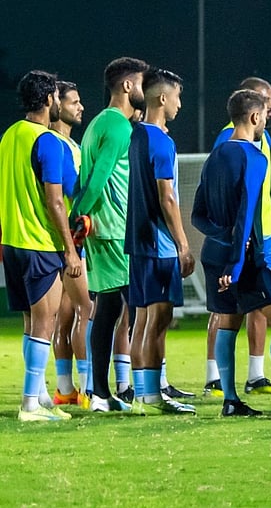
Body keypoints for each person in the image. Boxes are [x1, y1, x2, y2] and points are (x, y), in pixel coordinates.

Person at [194, 89, 271, 417]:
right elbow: (245, 214)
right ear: (253, 117)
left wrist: (222, 244)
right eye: (264, 114)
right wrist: (235, 265)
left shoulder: (215, 155)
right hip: (243, 260)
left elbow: (197, 215)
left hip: (214, 254)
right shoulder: (254, 157)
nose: (267, 119)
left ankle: (230, 401)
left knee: (228, 324)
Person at [1, 71, 81, 421]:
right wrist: (70, 248)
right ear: (50, 100)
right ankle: (29, 405)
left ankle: (41, 395)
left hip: (11, 243)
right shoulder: (48, 142)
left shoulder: (9, 136)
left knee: (31, 323)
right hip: (39, 242)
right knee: (45, 322)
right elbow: (56, 201)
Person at [74, 57, 147, 413]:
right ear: (127, 87)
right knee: (136, 307)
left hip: (103, 231)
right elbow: (99, 177)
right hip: (115, 231)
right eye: (142, 84)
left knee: (108, 310)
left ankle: (101, 392)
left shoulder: (99, 123)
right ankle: (140, 389)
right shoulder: (118, 126)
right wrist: (78, 214)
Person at [124, 68, 196, 415]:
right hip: (159, 245)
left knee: (141, 319)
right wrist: (183, 244)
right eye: (178, 96)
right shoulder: (161, 141)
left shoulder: (136, 135)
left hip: (137, 244)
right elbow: (167, 197)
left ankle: (144, 394)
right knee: (159, 319)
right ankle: (151, 397)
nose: (180, 104)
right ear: (163, 98)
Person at [205, 76, 271, 397]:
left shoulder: (266, 140)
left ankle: (256, 375)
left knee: (257, 306)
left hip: (263, 234)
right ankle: (213, 377)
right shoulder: (228, 140)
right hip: (237, 238)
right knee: (224, 309)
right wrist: (231, 235)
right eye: (266, 101)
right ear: (252, 109)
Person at [49, 80, 92, 408]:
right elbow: (70, 194)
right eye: (73, 102)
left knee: (64, 317)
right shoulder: (58, 145)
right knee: (85, 309)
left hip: (62, 240)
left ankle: (65, 389)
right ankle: (89, 389)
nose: (80, 107)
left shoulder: (69, 145)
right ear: (57, 105)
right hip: (70, 241)